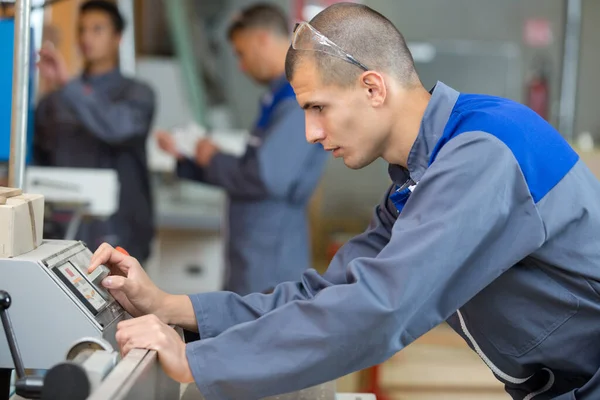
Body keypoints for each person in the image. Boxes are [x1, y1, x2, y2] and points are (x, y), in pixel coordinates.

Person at [89, 3, 600, 399]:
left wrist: (197, 362)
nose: (310, 133)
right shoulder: (417, 179)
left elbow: (380, 308)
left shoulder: (483, 153)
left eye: (318, 108)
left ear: (373, 87)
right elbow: (328, 294)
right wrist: (171, 307)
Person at [156, 4, 327, 295]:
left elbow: (265, 177)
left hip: (270, 257)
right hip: (255, 251)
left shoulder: (297, 100)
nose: (240, 65)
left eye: (240, 52)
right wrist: (189, 158)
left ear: (261, 39)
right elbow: (251, 169)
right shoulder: (277, 98)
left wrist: (213, 156)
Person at [34, 0, 155, 262]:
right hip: (62, 231)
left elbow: (116, 128)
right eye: (82, 29)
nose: (86, 37)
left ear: (118, 37)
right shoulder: (55, 100)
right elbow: (38, 155)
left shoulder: (137, 95)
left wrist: (68, 86)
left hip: (122, 230)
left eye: (97, 29)